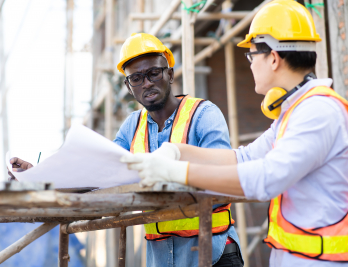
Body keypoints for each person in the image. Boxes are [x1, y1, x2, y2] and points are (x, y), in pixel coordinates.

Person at [121, 1, 348, 266]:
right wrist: (178, 152)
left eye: (252, 56)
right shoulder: (296, 111)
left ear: (273, 58)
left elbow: (265, 178)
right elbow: (244, 157)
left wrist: (176, 172)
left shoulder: (317, 112)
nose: (250, 65)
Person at [9, 33, 244, 266]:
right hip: (162, 257)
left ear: (170, 74)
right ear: (129, 87)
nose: (147, 83)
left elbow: (224, 175)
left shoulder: (203, 114)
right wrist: (38, 176)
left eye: (154, 73)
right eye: (136, 78)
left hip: (214, 252)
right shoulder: (132, 127)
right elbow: (98, 176)